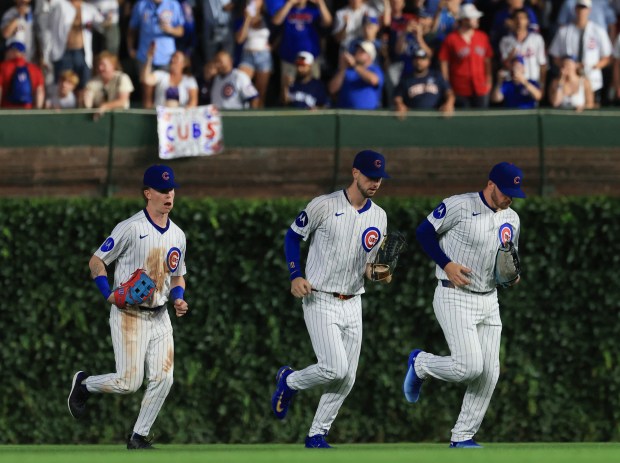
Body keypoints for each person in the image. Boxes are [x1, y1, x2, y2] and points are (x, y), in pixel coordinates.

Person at [271, 149, 390, 448]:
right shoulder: (324, 205)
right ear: (355, 173)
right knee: (334, 367)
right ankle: (289, 381)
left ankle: (317, 434)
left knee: (347, 377)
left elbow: (368, 268)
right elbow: (292, 236)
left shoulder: (379, 216)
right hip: (320, 297)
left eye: (379, 178)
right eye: (370, 176)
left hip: (353, 301)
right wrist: (295, 275)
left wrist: (379, 274)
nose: (375, 182)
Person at [403, 161, 526, 449]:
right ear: (491, 184)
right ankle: (420, 364)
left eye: (514, 194)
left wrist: (512, 276)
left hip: (489, 299)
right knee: (469, 367)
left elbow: (509, 259)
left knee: (490, 372)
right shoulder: (458, 205)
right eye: (505, 191)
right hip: (453, 295)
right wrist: (446, 264)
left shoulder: (513, 218)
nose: (509, 198)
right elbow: (423, 232)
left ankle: (463, 436)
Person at [67, 164, 188, 450]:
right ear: (148, 193)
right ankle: (84, 385)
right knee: (128, 383)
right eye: (161, 190)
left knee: (164, 378)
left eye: (170, 189)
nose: (168, 195)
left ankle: (139, 436)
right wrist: (107, 292)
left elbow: (177, 274)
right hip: (128, 315)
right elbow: (96, 262)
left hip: (160, 315)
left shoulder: (178, 235)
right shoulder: (131, 228)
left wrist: (179, 297)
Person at [548, 0, 612, 106]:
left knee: (591, 109)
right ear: (575, 9)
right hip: (569, 81)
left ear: (589, 10)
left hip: (593, 80)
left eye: (584, 8)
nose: (581, 11)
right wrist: (570, 67)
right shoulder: (564, 31)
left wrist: (591, 67)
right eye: (579, 7)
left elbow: (607, 57)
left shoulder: (598, 31)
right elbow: (555, 56)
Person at [438, 3, 493, 108]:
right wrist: (447, 87)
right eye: (473, 18)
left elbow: (487, 60)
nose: (477, 20)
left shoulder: (482, 37)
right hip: (459, 88)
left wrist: (489, 81)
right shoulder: (451, 39)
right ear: (464, 20)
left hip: (481, 86)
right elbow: (444, 62)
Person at [235, 0, 272, 108]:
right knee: (242, 86)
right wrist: (247, 19)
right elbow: (239, 39)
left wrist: (273, 46)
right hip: (247, 55)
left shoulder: (267, 17)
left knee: (261, 92)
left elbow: (279, 30)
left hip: (264, 56)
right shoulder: (242, 18)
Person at [394, 48, 454, 113]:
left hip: (436, 115)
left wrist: (449, 103)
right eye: (417, 59)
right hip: (413, 117)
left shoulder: (437, 76)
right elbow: (397, 96)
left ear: (429, 62)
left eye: (423, 59)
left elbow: (449, 93)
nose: (419, 62)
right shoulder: (406, 79)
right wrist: (399, 105)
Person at [328, 40, 384, 109]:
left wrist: (354, 65)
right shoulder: (346, 70)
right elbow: (332, 89)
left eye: (362, 51)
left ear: (369, 57)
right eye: (357, 50)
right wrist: (343, 68)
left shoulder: (374, 69)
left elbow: (373, 80)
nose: (357, 52)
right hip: (345, 115)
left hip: (368, 115)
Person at [0, 40, 45, 109]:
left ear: (12, 52)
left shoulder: (3, 67)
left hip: (7, 109)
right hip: (27, 110)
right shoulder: (35, 69)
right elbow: (39, 91)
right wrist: (38, 110)